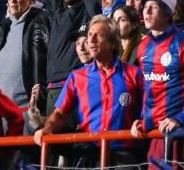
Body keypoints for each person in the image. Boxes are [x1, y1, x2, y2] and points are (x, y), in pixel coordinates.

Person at [34, 16, 143, 166]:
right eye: (89, 35)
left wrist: (142, 122)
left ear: (112, 43)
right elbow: (60, 113)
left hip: (124, 155)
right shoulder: (77, 77)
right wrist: (48, 128)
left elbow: (149, 108)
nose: (91, 40)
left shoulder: (135, 74)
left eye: (98, 35)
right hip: (88, 154)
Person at [131, 0, 184, 164]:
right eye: (145, 6)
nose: (147, 11)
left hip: (183, 133)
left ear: (167, 13)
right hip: (156, 134)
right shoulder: (143, 46)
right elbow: (147, 91)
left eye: (154, 6)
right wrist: (142, 120)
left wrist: (181, 118)